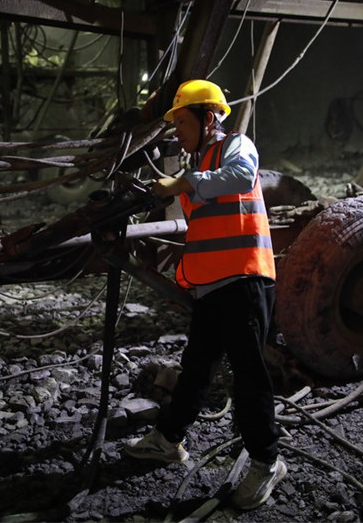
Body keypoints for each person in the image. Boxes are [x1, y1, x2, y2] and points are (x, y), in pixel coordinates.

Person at [122, 79, 286, 511]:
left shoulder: (236, 147)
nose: (177, 132)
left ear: (208, 117)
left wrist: (181, 183)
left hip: (246, 280)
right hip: (214, 286)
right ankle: (169, 439)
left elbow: (241, 176)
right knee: (196, 369)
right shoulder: (200, 164)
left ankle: (267, 461)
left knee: (249, 377)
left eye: (181, 121)